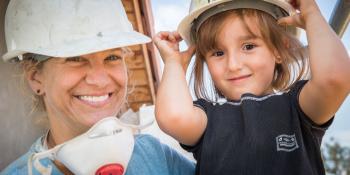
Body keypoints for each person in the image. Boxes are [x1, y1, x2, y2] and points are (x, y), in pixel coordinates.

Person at [153, 0, 350, 174]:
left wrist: (313, 16)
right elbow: (173, 118)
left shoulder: (297, 108)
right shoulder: (207, 119)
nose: (233, 65)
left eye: (248, 46)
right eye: (218, 53)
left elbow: (334, 79)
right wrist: (173, 63)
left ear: (278, 49)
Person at [0, 0, 195, 174]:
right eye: (75, 58)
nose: (100, 80)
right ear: (35, 78)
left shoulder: (157, 157)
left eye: (112, 57)